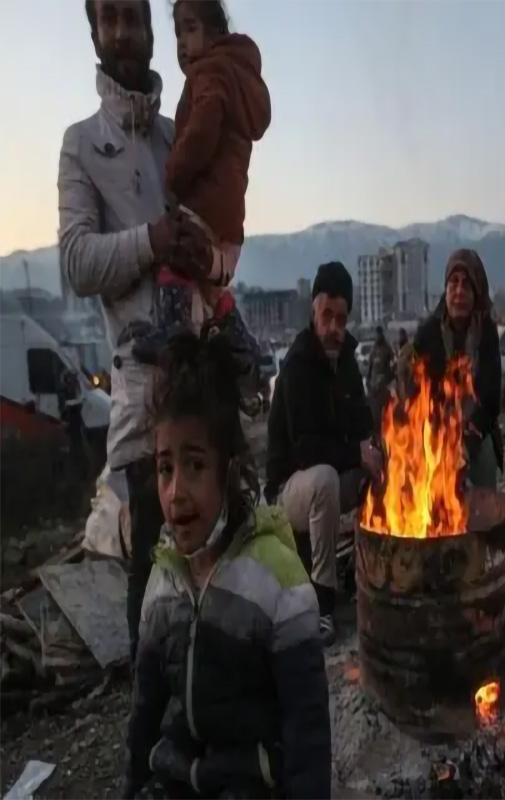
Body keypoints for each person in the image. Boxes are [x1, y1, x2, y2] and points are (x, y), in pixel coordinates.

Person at [60, 0, 212, 666]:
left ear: (152, 32)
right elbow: (77, 260)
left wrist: (204, 252)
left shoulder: (180, 134)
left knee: (212, 553)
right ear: (94, 30)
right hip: (142, 394)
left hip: (201, 380)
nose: (122, 32)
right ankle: (150, 737)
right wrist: (152, 240)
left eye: (134, 18)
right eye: (110, 18)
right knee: (153, 566)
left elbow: (214, 243)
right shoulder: (81, 144)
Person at [124, 332, 331, 800]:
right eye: (165, 468)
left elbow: (307, 725)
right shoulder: (163, 580)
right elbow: (145, 710)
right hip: (178, 779)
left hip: (248, 783)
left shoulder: (275, 579)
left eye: (195, 466)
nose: (176, 491)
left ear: (231, 471)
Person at [130, 0, 270, 417]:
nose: (182, 44)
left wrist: (176, 171)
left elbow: (205, 124)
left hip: (205, 204)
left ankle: (171, 333)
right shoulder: (242, 79)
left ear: (214, 33)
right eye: (177, 34)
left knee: (174, 255)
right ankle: (239, 338)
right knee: (211, 286)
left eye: (188, 30)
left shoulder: (211, 72)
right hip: (232, 222)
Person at [265, 262, 378, 647]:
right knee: (327, 478)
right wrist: (354, 451)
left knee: (379, 470)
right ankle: (323, 605)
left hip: (328, 476)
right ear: (314, 313)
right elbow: (306, 449)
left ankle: (374, 572)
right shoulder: (296, 366)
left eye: (340, 318)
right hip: (288, 490)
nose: (333, 327)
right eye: (326, 316)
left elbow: (361, 421)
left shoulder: (346, 361)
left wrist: (375, 449)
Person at [404, 249, 502, 488]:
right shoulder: (428, 334)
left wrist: (468, 437)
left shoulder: (486, 333)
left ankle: (482, 521)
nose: (459, 292)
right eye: (453, 283)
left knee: (486, 459)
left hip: (474, 429)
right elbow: (416, 395)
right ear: (445, 289)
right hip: (435, 429)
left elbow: (491, 400)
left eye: (466, 286)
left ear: (476, 292)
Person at [366, 326, 395, 439]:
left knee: (386, 412)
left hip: (384, 386)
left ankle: (386, 435)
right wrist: (368, 382)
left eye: (379, 334)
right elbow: (369, 367)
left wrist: (388, 378)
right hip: (374, 388)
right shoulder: (373, 350)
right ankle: (376, 436)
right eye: (376, 334)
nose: (377, 336)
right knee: (375, 414)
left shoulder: (387, 349)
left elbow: (393, 365)